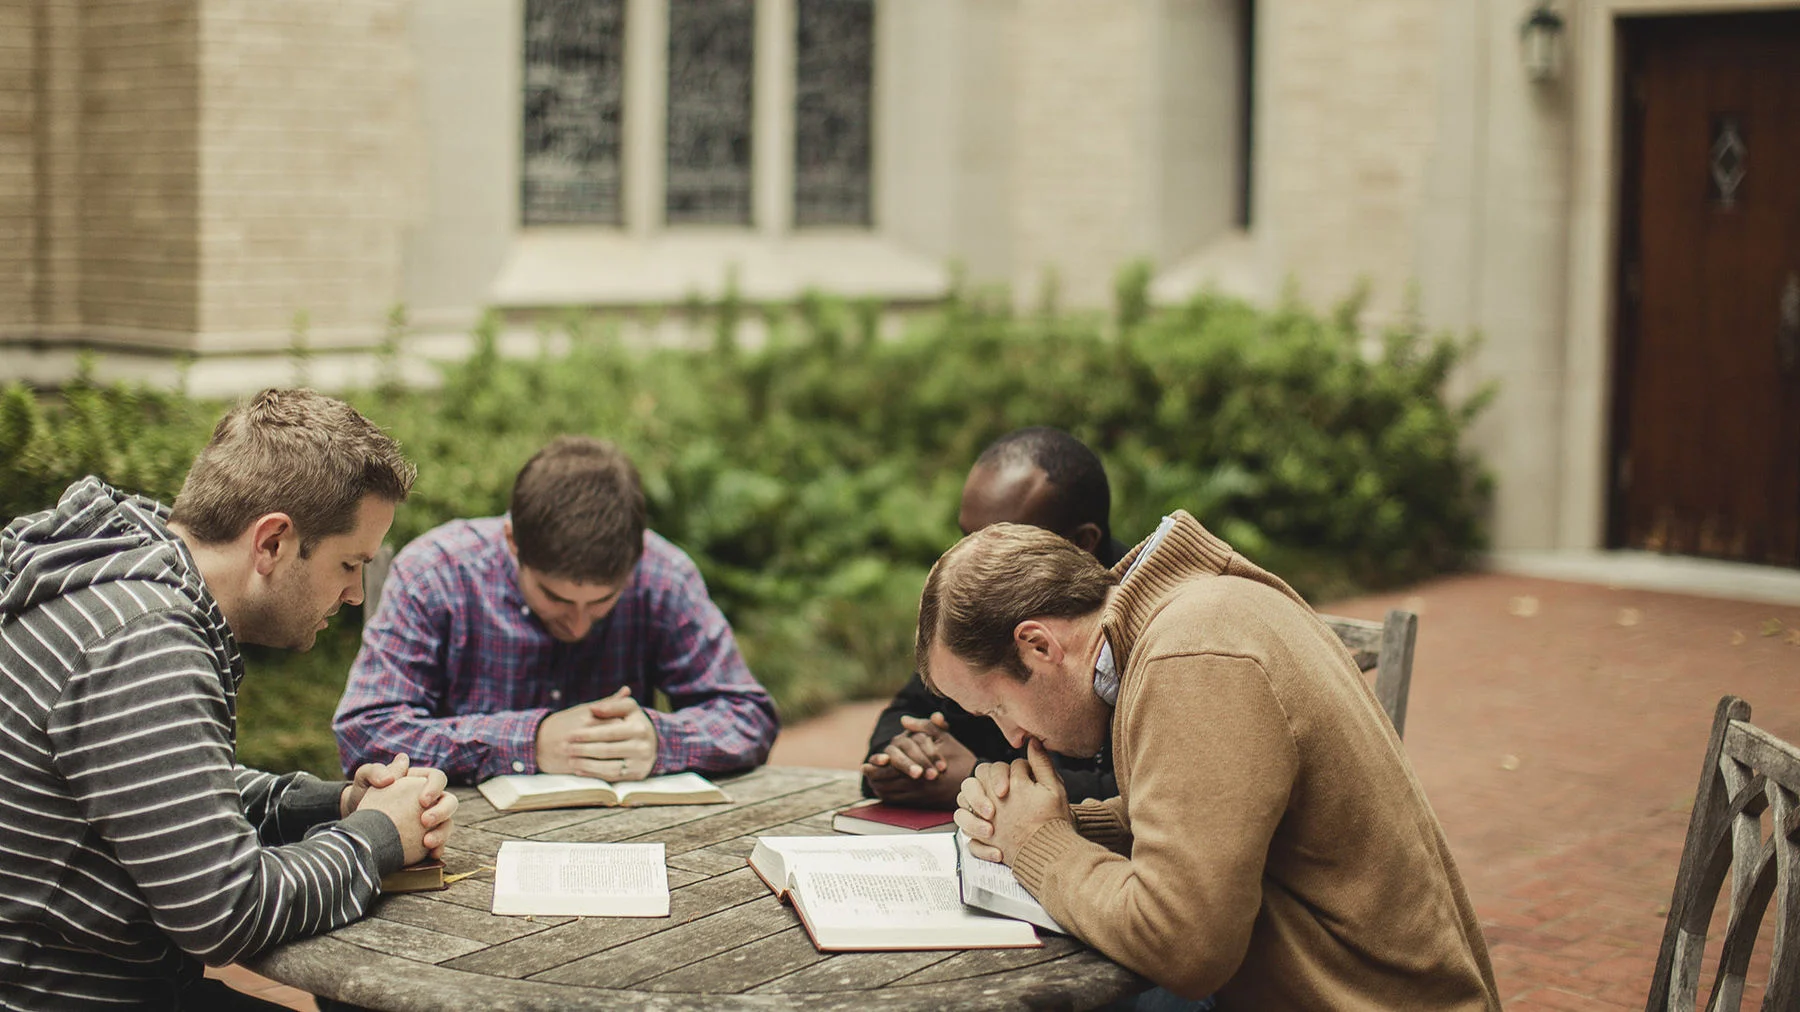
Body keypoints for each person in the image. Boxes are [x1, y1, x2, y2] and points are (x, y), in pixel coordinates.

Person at [920, 513, 1502, 1009]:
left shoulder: (1192, 658)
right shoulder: (1191, 616)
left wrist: (1038, 846)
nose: (1013, 736)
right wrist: (1066, 825)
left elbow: (1182, 946)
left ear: (1039, 646)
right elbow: (1220, 816)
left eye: (997, 706)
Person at [0, 389, 458, 1011]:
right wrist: (380, 835)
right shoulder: (144, 643)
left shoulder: (124, 584)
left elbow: (167, 788)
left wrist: (339, 800)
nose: (354, 594)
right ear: (271, 542)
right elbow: (225, 908)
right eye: (350, 563)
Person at [333, 435, 779, 784]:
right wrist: (531, 742)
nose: (579, 623)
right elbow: (365, 732)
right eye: (557, 598)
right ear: (513, 543)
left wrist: (663, 741)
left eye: (603, 600)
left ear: (637, 557)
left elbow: (749, 716)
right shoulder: (435, 573)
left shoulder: (665, 575)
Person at [863, 427, 1124, 808]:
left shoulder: (1149, 637)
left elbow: (1150, 797)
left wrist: (979, 779)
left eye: (1004, 536)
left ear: (1081, 543)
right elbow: (912, 707)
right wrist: (911, 757)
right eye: (966, 537)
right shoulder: (985, 602)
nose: (977, 554)